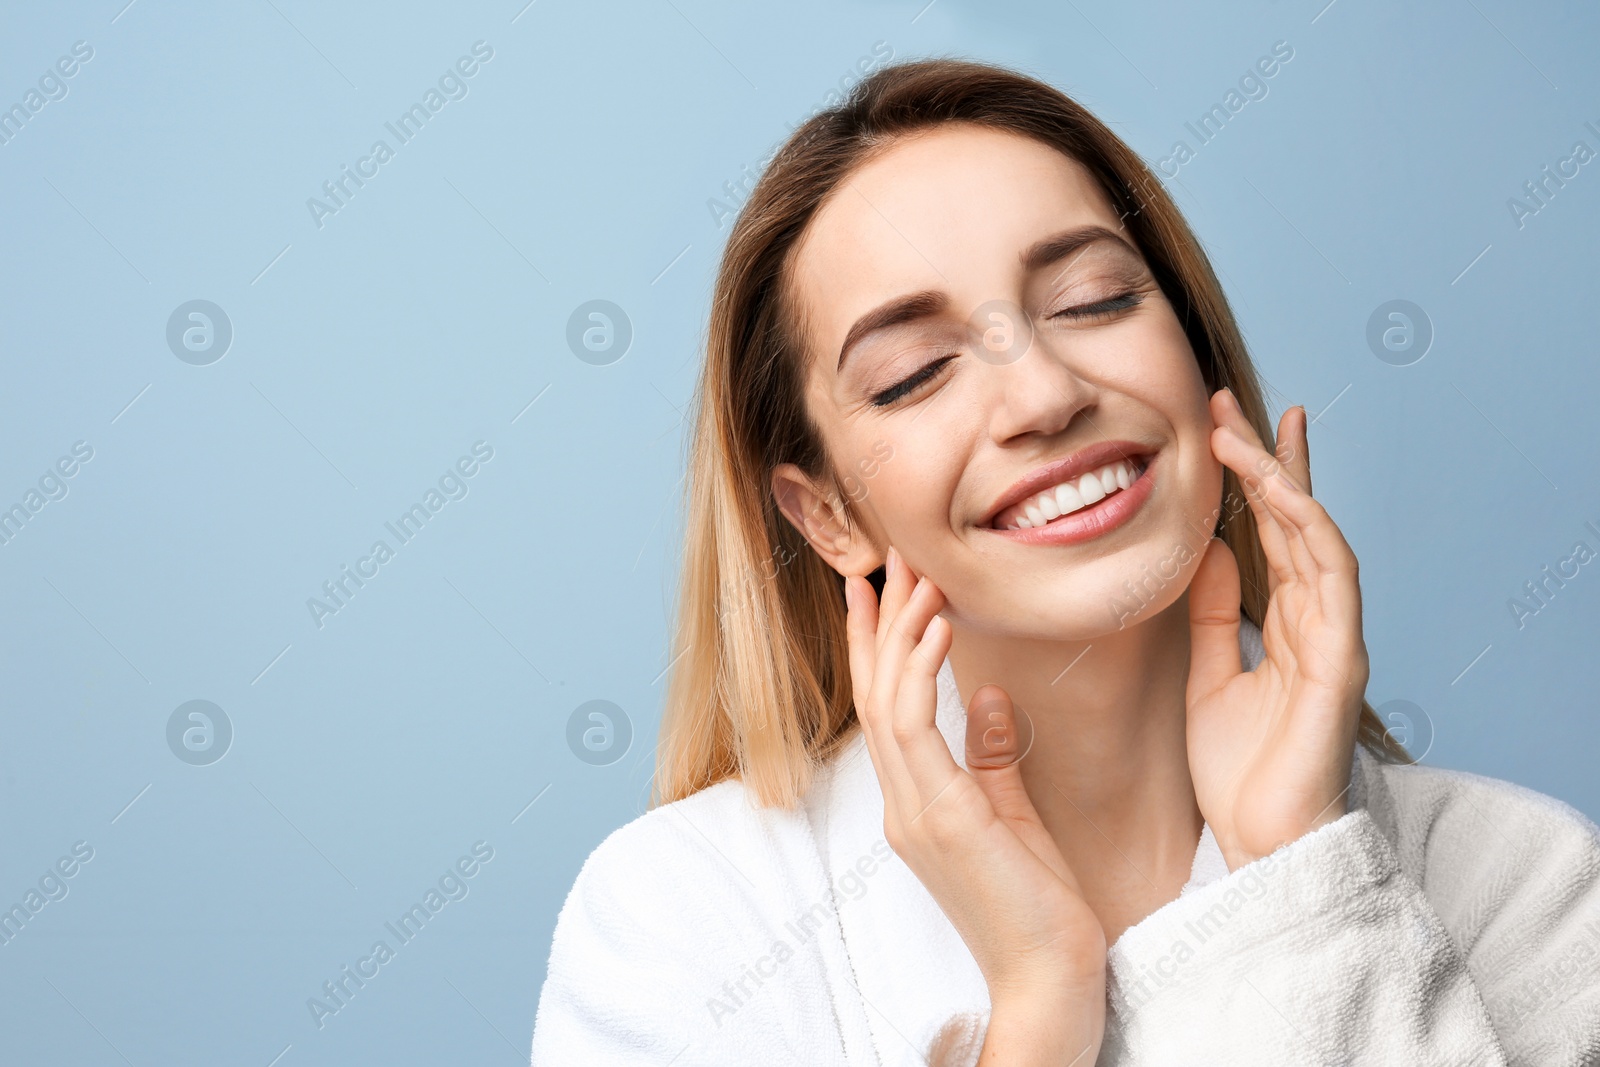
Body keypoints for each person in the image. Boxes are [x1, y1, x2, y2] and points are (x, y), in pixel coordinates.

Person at [530, 58, 1600, 1065]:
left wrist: (1297, 872)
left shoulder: (1522, 884)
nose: (1044, 395)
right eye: (912, 374)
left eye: (1093, 301)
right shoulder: (684, 920)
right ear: (826, 517)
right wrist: (1040, 1007)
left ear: (1195, 354)